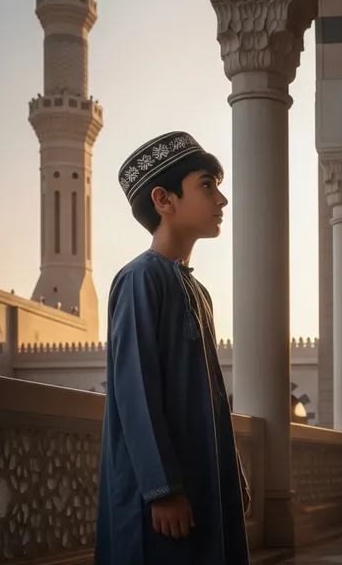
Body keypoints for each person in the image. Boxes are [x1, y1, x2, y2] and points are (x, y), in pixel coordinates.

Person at [95, 131, 250, 565]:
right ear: (164, 199)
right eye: (207, 185)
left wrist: (231, 476)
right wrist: (162, 490)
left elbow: (214, 399)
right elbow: (135, 392)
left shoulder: (195, 289)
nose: (221, 199)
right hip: (160, 495)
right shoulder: (141, 279)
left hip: (201, 480)